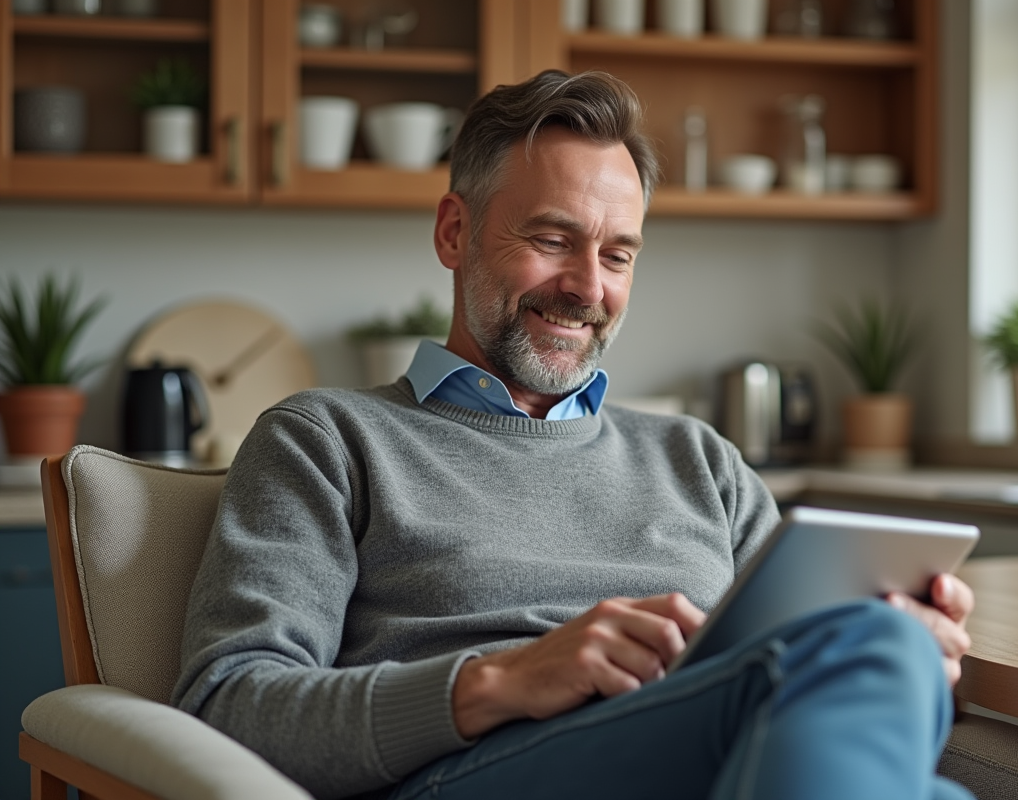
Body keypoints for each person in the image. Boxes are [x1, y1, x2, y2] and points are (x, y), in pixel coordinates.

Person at [172, 69, 975, 800]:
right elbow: (227, 702)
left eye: (617, 254)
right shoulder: (328, 440)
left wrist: (919, 652)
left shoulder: (700, 461)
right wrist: (499, 682)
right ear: (455, 232)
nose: (588, 287)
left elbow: (819, 688)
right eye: (553, 240)